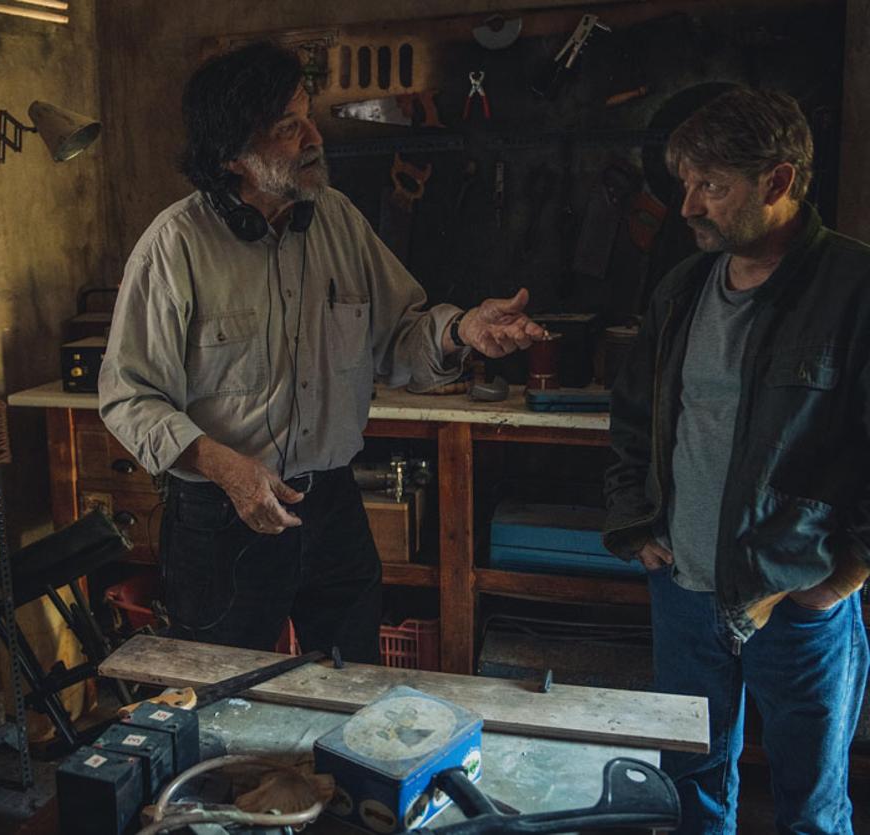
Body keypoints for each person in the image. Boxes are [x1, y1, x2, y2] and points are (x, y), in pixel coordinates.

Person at [99, 41, 544, 664]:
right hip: (224, 513)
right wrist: (228, 469)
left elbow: (401, 336)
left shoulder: (337, 219)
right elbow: (129, 397)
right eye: (289, 127)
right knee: (227, 700)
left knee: (352, 687)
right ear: (233, 156)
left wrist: (462, 330)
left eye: (308, 115)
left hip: (331, 505)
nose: (315, 136)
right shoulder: (174, 247)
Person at [604, 87, 870, 834]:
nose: (688, 206)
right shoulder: (683, 289)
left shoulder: (854, 288)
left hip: (797, 598)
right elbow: (632, 419)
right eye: (686, 183)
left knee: (811, 807)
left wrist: (841, 576)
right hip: (684, 592)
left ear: (778, 183)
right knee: (686, 795)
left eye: (711, 187)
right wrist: (636, 523)